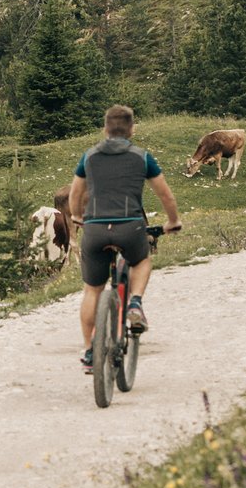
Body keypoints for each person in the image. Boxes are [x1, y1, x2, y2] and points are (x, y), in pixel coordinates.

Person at [67, 105, 181, 373]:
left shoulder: (89, 156)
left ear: (105, 129)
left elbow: (75, 194)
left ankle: (88, 352)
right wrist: (173, 221)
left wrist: (76, 216)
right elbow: (166, 195)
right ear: (132, 130)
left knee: (92, 290)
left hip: (94, 228)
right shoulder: (142, 157)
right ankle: (135, 303)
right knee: (141, 260)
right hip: (130, 227)